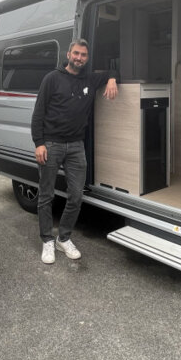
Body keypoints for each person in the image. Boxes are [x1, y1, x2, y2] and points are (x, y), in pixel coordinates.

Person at [31, 38, 118, 264]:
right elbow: (38, 113)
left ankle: (63, 238)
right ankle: (47, 240)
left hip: (76, 146)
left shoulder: (90, 79)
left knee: (77, 196)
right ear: (69, 54)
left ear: (87, 58)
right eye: (76, 53)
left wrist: (111, 79)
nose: (79, 58)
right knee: (46, 195)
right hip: (51, 144)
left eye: (84, 55)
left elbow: (113, 69)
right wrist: (39, 143)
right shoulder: (52, 78)